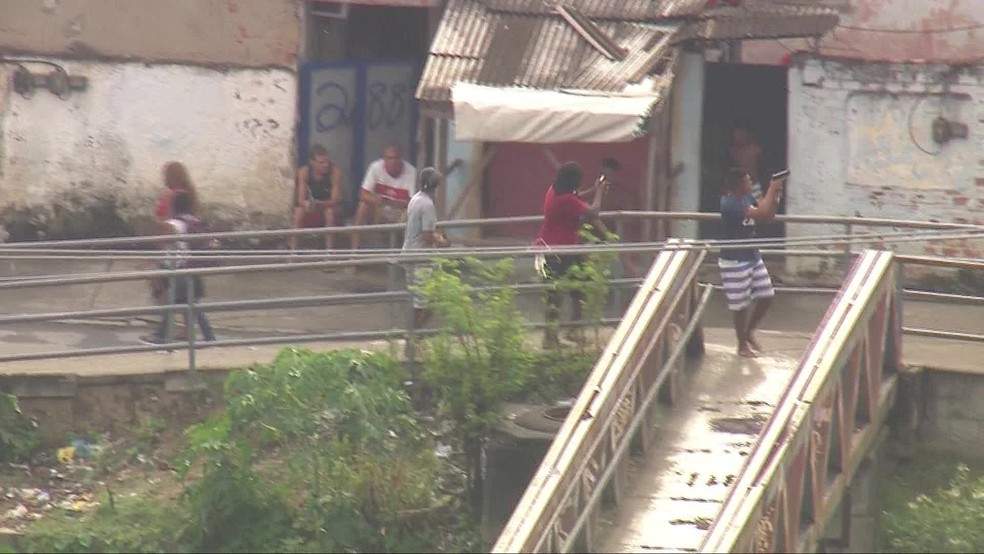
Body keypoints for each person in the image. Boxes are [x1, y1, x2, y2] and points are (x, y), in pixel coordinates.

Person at [535, 162, 607, 349]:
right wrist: (598, 193)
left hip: (566, 249)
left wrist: (592, 189)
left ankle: (573, 331)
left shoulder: (554, 190)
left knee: (579, 288)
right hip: (556, 251)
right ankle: (550, 339)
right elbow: (592, 211)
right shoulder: (565, 199)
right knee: (555, 294)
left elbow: (576, 199)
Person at [719, 167, 785, 358]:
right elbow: (761, 214)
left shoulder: (748, 198)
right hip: (734, 260)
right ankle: (741, 345)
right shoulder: (729, 203)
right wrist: (772, 189)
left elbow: (767, 215)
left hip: (752, 255)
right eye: (747, 180)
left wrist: (775, 196)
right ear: (739, 185)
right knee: (740, 306)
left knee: (767, 295)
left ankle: (748, 332)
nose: (750, 182)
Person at [140, 191, 216, 346]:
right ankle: (209, 337)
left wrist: (158, 223)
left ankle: (161, 336)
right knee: (191, 302)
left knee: (168, 300)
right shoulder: (194, 221)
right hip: (192, 266)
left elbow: (161, 243)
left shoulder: (173, 224)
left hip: (177, 267)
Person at [403, 167, 451, 329]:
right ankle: (415, 336)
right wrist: (443, 242)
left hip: (410, 252)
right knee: (426, 300)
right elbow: (427, 236)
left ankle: (413, 335)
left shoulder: (415, 199)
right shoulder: (428, 205)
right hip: (421, 257)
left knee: (418, 298)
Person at [351, 144, 417, 251]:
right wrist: (378, 200)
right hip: (379, 211)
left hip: (400, 213)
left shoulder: (411, 171)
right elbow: (363, 194)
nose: (393, 162)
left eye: (395, 158)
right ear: (384, 159)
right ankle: (354, 252)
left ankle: (409, 254)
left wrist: (396, 203)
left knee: (415, 213)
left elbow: (413, 202)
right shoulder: (376, 167)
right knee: (362, 206)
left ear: (401, 158)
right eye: (389, 158)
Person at [289, 143, 344, 253]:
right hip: (312, 205)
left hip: (330, 206)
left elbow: (335, 200)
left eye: (327, 162)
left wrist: (319, 203)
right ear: (312, 162)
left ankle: (329, 253)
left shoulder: (334, 172)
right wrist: (307, 204)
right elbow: (300, 200)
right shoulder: (304, 172)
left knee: (329, 212)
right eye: (321, 162)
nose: (325, 165)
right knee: (298, 212)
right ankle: (292, 252)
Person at [729, 127, 764, 199]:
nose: (737, 138)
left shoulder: (755, 150)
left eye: (740, 135)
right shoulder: (733, 151)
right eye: (736, 135)